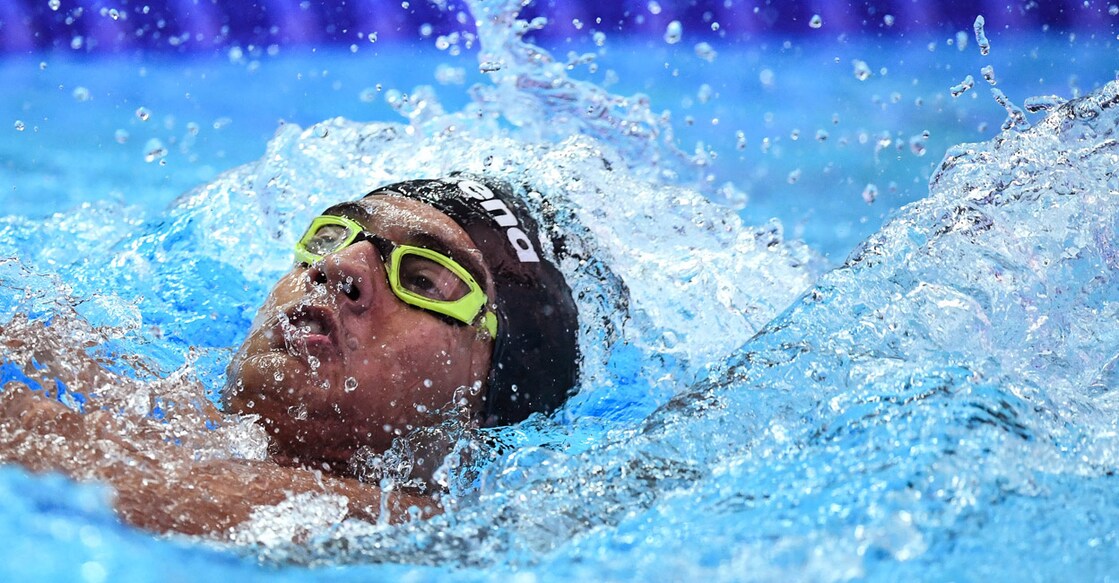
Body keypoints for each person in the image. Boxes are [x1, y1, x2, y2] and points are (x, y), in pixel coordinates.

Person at [0, 175, 581, 537]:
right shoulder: (139, 394)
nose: (339, 268)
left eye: (425, 280)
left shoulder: (408, 530)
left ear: (488, 394)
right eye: (333, 237)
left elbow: (144, 491)